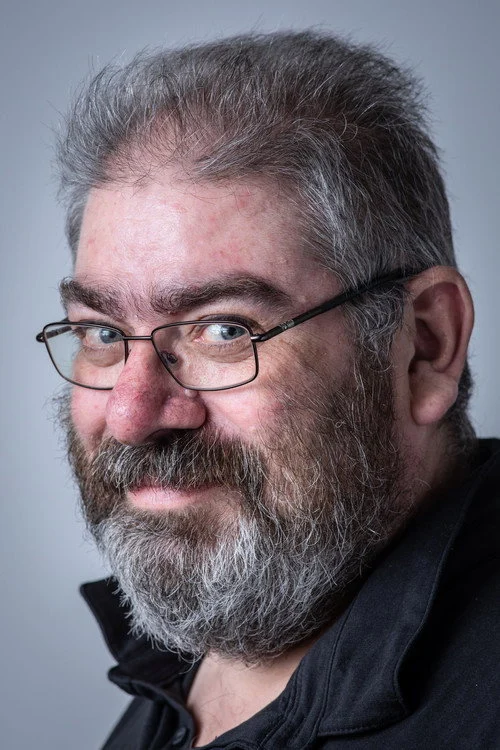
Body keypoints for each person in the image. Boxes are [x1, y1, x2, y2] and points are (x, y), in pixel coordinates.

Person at [37, 30, 500, 749]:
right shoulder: (197, 656)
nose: (131, 415)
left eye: (224, 329)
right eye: (101, 332)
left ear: (424, 346)